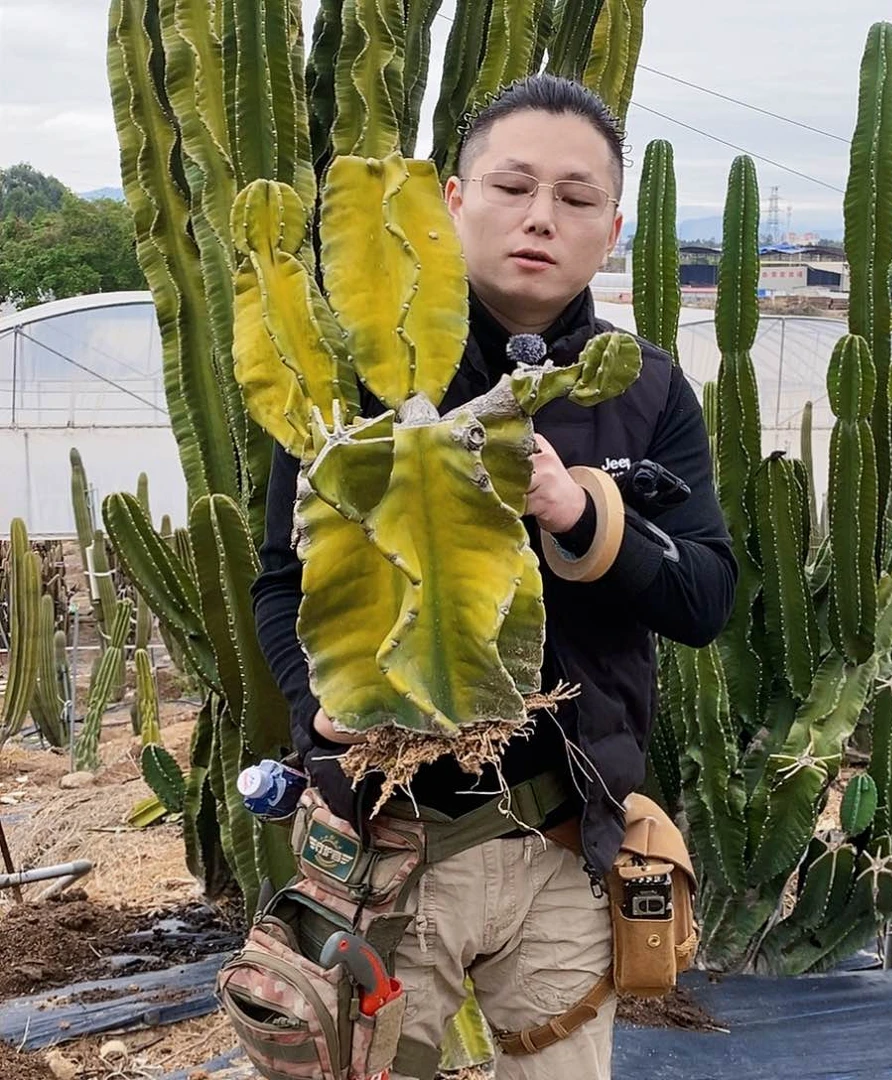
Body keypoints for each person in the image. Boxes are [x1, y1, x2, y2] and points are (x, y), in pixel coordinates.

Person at [252, 74, 738, 1080]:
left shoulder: (640, 387)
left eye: (575, 197)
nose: (540, 217)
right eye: (512, 186)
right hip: (387, 843)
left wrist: (580, 514)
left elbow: (706, 596)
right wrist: (324, 711)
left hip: (565, 841)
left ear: (611, 229)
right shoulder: (347, 387)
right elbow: (279, 583)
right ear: (454, 204)